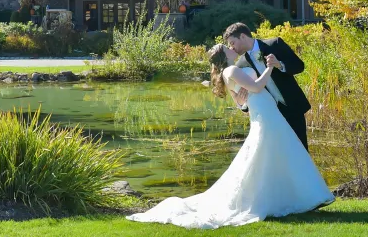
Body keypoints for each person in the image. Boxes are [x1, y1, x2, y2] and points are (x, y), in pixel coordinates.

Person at [126, 42, 334, 229]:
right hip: (265, 113)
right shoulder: (232, 69)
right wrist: (270, 67)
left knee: (273, 153)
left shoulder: (227, 73)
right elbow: (257, 86)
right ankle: (291, 197)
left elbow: (239, 103)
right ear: (223, 54)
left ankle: (289, 196)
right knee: (271, 153)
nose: (230, 47)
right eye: (226, 47)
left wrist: (246, 100)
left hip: (263, 110)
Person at [224, 22, 310, 150]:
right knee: (278, 154)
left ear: (242, 36)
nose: (232, 48)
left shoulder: (275, 44)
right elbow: (245, 96)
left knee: (301, 150)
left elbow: (299, 66)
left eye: (232, 43)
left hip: (292, 107)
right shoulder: (241, 64)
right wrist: (243, 101)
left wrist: (280, 65)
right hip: (270, 114)